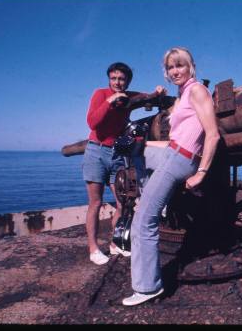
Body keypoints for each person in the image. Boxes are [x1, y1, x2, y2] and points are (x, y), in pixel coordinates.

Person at [122, 47, 220, 306]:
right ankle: (151, 197)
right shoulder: (183, 92)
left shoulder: (198, 90)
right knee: (134, 150)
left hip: (181, 160)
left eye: (180, 65)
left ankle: (147, 288)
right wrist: (141, 144)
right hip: (172, 152)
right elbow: (176, 139)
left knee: (142, 222)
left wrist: (201, 172)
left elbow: (213, 134)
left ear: (190, 67)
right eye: (171, 67)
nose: (175, 71)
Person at [82, 62, 165, 265]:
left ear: (127, 81)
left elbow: (145, 97)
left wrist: (157, 92)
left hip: (117, 153)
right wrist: (110, 100)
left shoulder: (128, 96)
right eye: (113, 78)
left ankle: (115, 243)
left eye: (121, 79)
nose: (117, 82)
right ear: (109, 79)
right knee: (95, 202)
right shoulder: (101, 94)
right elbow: (92, 122)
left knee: (122, 202)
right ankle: (93, 248)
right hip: (96, 151)